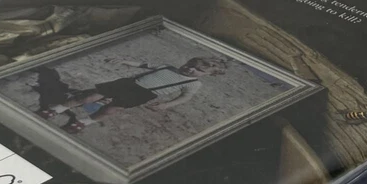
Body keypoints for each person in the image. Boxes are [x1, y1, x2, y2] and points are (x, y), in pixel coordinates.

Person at [33, 55, 229, 127]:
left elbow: (185, 97)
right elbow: (144, 64)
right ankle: (56, 109)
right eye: (190, 64)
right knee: (88, 97)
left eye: (198, 70)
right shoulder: (167, 67)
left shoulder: (194, 84)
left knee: (112, 110)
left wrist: (166, 105)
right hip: (127, 84)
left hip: (143, 95)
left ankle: (85, 121)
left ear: (207, 75)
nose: (190, 69)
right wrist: (124, 61)